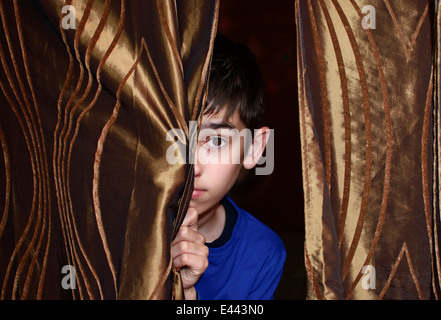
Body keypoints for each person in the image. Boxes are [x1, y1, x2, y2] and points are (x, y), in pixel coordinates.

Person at [171, 34, 286, 300]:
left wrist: (185, 293)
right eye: (177, 138)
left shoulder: (263, 254)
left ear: (254, 148)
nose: (192, 166)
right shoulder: (123, 226)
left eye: (217, 140)